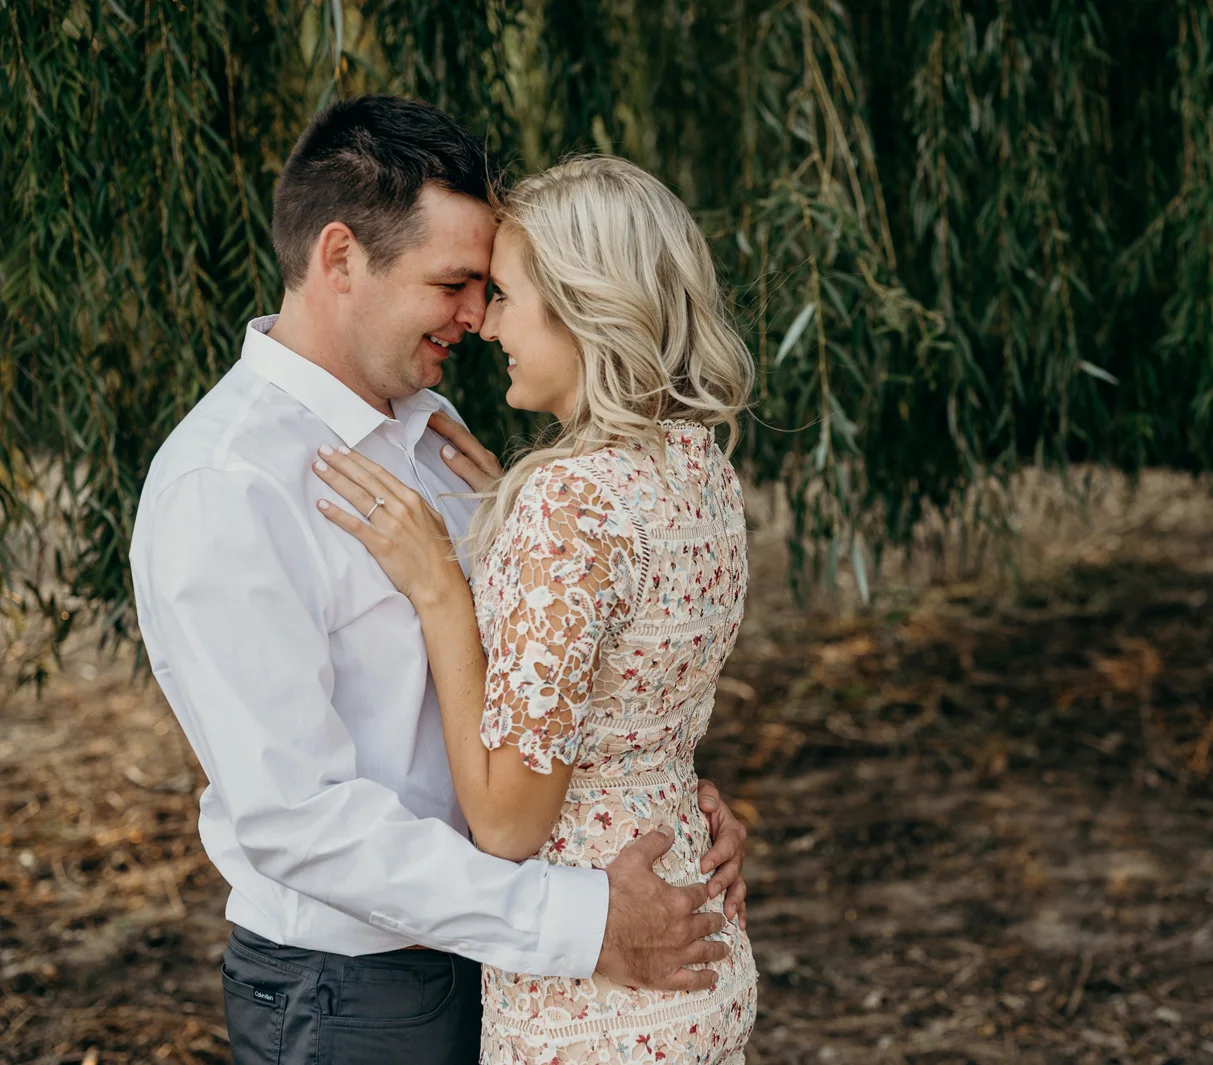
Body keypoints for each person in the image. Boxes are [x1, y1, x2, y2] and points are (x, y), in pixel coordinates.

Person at [129, 96, 749, 1065]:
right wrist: (579, 919)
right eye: (456, 283)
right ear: (341, 258)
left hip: (520, 962)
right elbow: (299, 818)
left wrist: (659, 799)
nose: (477, 317)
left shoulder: (439, 437)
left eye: (490, 288)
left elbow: (557, 684)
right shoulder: (226, 483)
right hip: (358, 994)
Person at [309, 154, 759, 1062]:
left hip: (596, 993)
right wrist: (506, 540)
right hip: (694, 940)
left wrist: (443, 587)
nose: (485, 323)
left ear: (586, 307)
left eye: (507, 295)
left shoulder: (570, 506)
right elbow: (635, 701)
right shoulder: (702, 469)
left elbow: (508, 826)